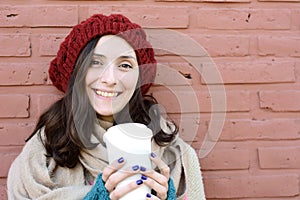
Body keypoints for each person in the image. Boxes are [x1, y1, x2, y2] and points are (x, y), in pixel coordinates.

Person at [7, 13, 206, 200]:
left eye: (125, 65)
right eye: (95, 62)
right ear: (77, 73)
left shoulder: (172, 152)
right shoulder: (42, 154)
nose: (110, 79)